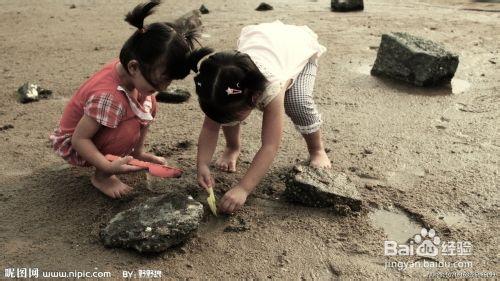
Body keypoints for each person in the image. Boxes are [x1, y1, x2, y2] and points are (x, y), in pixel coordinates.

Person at [49, 0, 211, 198]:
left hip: (95, 129)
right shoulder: (108, 97)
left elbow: (147, 93)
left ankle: (135, 152)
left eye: (168, 82)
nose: (163, 88)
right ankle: (102, 176)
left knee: (149, 102)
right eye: (159, 81)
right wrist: (108, 167)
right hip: (75, 143)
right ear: (133, 67)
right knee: (126, 128)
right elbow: (79, 139)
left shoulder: (131, 69)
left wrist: (149, 92)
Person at [193, 20, 331, 214]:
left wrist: (243, 188)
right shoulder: (223, 85)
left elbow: (270, 145)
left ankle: (317, 149)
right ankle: (233, 147)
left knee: (297, 102)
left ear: (255, 97)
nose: (222, 121)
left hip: (297, 51)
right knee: (225, 111)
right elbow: (210, 127)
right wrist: (202, 164)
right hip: (264, 42)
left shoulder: (273, 89)